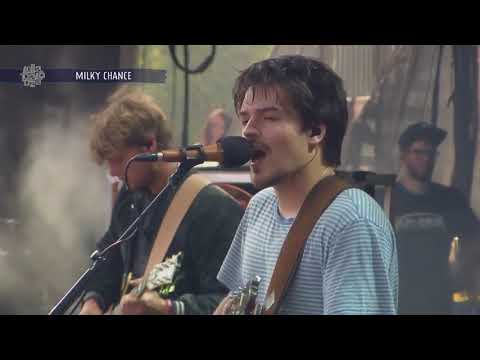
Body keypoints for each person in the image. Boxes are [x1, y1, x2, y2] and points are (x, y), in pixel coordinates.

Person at [214, 55, 398, 315]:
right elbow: (236, 300)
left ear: (315, 132)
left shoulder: (352, 221)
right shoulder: (259, 206)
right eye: (245, 119)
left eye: (269, 118)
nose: (248, 131)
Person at [79, 88, 244, 315]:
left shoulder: (211, 208)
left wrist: (170, 308)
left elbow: (233, 301)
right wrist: (93, 299)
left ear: (149, 145)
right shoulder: (129, 199)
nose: (114, 172)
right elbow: (109, 257)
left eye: (118, 160)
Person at [392, 121, 479, 314]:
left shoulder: (449, 199)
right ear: (403, 155)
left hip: (438, 304)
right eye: (419, 152)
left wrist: (462, 271)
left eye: (431, 153)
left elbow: (474, 236)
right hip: (396, 305)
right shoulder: (388, 198)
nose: (426, 159)